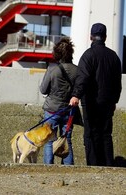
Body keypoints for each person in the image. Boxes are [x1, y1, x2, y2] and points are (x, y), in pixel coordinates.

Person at [69, 23, 122, 166]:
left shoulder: (88, 55)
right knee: (106, 134)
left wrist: (76, 95)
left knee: (91, 134)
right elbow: (118, 82)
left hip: (91, 102)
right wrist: (114, 100)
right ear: (105, 37)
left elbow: (83, 78)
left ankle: (93, 164)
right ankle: (108, 164)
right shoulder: (113, 57)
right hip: (108, 103)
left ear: (91, 36)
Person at [40, 37, 78, 165]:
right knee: (67, 139)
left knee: (49, 140)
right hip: (69, 110)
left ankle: (48, 168)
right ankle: (68, 168)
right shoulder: (77, 70)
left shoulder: (52, 69)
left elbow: (43, 90)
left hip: (52, 110)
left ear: (56, 53)